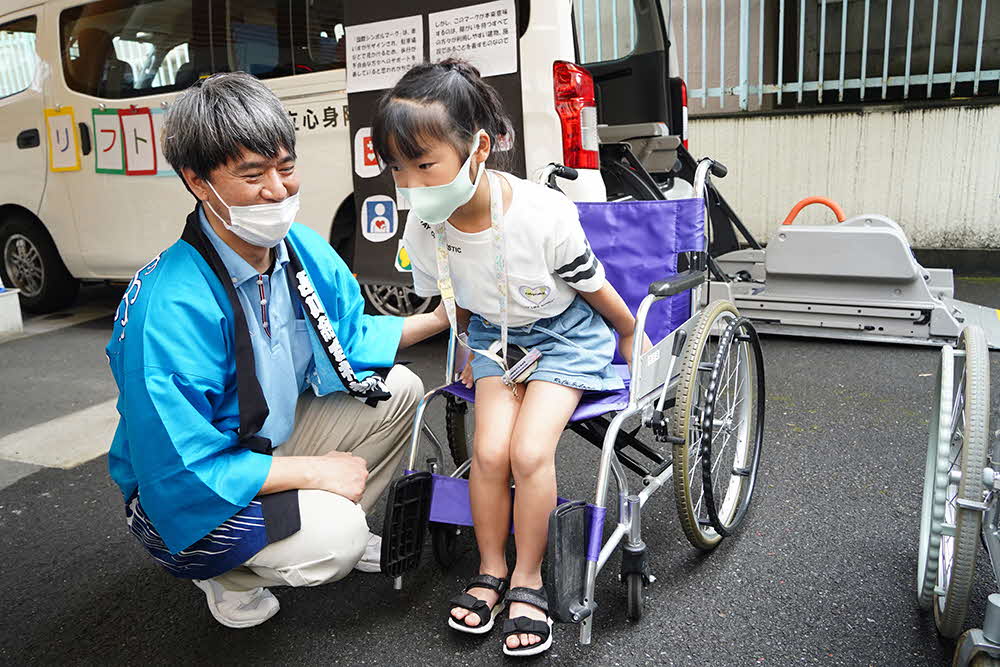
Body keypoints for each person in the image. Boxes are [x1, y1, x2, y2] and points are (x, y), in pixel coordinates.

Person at [106, 72, 448, 629]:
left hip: (263, 442)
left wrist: (439, 318)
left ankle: (312, 522)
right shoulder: (169, 308)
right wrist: (313, 470)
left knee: (401, 388)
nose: (277, 190)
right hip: (184, 492)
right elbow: (181, 467)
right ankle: (226, 573)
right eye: (252, 175)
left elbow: (353, 340)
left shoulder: (299, 249)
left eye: (285, 168)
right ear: (198, 182)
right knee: (336, 539)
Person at [371, 60, 649, 657]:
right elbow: (456, 297)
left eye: (424, 164)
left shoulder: (542, 214)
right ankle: (491, 570)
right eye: (398, 167)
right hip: (497, 342)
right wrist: (469, 347)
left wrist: (628, 335)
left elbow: (594, 286)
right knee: (488, 451)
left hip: (568, 334)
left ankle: (530, 577)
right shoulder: (423, 226)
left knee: (528, 450)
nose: (411, 182)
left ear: (479, 148)